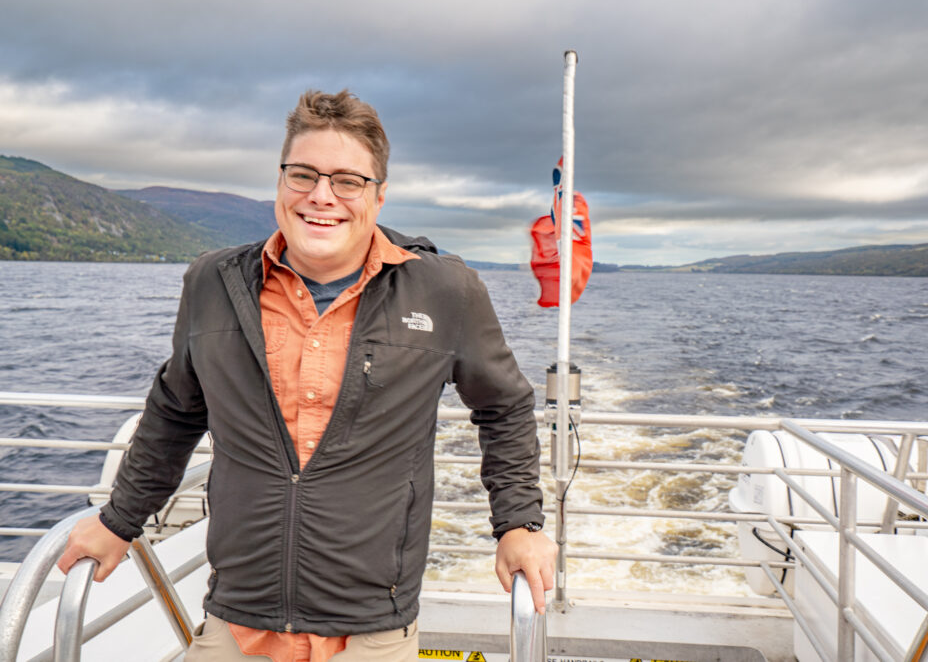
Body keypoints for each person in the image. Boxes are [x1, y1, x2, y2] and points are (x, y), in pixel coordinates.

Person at [57, 89, 557, 661]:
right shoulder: (212, 283)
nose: (322, 196)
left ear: (378, 195)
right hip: (236, 618)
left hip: (372, 627)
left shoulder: (445, 291)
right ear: (280, 182)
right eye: (303, 175)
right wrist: (119, 521)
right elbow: (175, 410)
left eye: (347, 180)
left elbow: (503, 407)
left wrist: (518, 522)